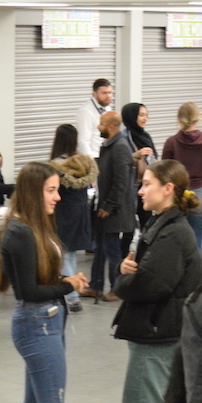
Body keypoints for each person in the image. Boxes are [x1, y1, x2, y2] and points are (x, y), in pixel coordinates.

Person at [102, 160, 202, 403]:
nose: (141, 190)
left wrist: (120, 282)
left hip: (157, 334)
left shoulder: (173, 233)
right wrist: (128, 272)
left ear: (168, 189)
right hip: (164, 330)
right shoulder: (164, 226)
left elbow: (148, 284)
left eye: (146, 184)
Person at [0, 161, 89, 403]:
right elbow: (29, 291)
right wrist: (68, 285)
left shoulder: (34, 227)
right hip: (39, 325)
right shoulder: (19, 232)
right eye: (51, 190)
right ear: (35, 192)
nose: (58, 196)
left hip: (46, 322)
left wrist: (66, 283)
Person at [82, 110, 135, 303]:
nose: (98, 127)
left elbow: (121, 182)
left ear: (111, 126)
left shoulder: (120, 147)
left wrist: (109, 205)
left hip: (114, 211)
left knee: (112, 251)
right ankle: (96, 286)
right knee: (101, 249)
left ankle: (117, 288)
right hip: (104, 207)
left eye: (102, 124)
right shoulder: (109, 145)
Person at [49, 124, 98, 313]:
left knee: (64, 256)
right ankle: (74, 290)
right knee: (72, 256)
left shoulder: (56, 166)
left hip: (62, 213)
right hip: (81, 213)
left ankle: (71, 296)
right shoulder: (84, 164)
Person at [162, 102, 202, 255]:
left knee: (175, 245)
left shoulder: (171, 143)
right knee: (196, 244)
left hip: (177, 196)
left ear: (179, 119)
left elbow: (164, 172)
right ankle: (197, 278)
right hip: (199, 194)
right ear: (198, 119)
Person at [120, 102, 156, 254]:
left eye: (146, 115)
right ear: (131, 116)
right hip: (130, 189)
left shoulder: (145, 136)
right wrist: (137, 155)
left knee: (147, 227)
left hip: (145, 188)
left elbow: (153, 158)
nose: (145, 118)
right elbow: (122, 162)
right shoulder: (123, 138)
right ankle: (122, 262)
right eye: (141, 115)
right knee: (128, 230)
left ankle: (143, 258)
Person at [74, 78, 115, 158]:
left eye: (110, 93)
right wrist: (92, 163)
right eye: (104, 93)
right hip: (94, 157)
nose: (108, 96)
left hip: (106, 156)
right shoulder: (86, 111)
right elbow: (83, 141)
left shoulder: (107, 108)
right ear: (94, 94)